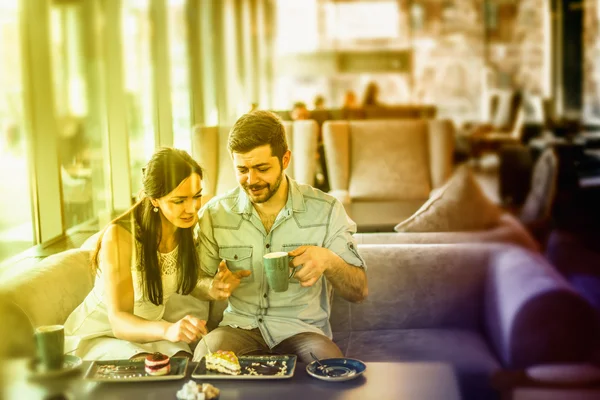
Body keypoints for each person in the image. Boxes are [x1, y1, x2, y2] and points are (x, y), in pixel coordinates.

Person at [193, 110, 368, 364]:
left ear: (285, 159)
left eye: (261, 168)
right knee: (204, 359)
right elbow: (196, 281)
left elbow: (359, 290)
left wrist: (328, 260)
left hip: (303, 330)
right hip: (239, 328)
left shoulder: (327, 209)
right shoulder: (215, 213)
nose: (251, 180)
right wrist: (210, 287)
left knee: (329, 367)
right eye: (242, 169)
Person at [64, 148, 208, 360]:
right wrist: (167, 330)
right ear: (155, 200)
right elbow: (119, 322)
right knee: (153, 369)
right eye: (179, 201)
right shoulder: (119, 237)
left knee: (183, 364)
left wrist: (215, 287)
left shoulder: (184, 231)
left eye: (196, 196)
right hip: (99, 335)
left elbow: (187, 283)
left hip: (146, 335)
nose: (191, 208)